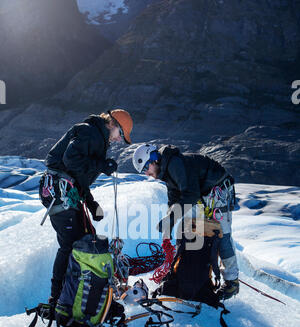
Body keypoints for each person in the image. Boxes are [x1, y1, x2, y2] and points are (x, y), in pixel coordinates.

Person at [40, 109, 133, 307]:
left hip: (62, 192)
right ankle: (58, 298)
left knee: (79, 241)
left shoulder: (94, 134)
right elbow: (70, 160)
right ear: (112, 124)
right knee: (70, 245)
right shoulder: (90, 132)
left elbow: (76, 173)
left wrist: (91, 204)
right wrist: (101, 165)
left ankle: (70, 294)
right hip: (61, 193)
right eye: (121, 135)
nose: (118, 140)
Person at [132, 143, 239, 300]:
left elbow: (190, 194)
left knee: (221, 235)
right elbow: (174, 200)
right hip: (203, 194)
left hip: (217, 190)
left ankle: (232, 282)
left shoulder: (174, 164)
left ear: (153, 160)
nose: (146, 173)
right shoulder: (167, 171)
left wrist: (170, 219)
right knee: (194, 232)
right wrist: (169, 224)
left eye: (145, 169)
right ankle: (199, 275)